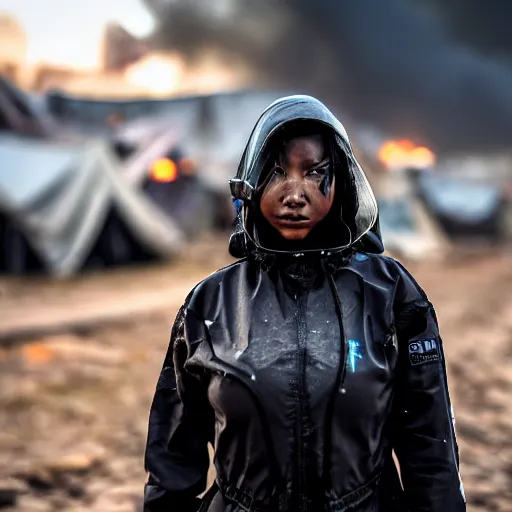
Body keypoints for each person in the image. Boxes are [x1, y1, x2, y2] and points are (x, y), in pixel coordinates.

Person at [143, 95, 466, 512]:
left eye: (315, 173)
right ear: (250, 181)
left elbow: (431, 449)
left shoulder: (392, 295)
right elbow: (173, 460)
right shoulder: (209, 304)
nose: (294, 193)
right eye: (276, 172)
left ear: (343, 182)